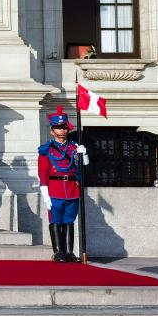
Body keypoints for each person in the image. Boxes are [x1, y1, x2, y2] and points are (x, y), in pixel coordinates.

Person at [38, 106, 87, 262]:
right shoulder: (47, 149)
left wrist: (84, 155)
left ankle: (69, 252)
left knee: (69, 221)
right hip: (55, 189)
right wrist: (45, 194)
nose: (62, 131)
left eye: (64, 127)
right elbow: (43, 172)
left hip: (72, 189)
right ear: (53, 131)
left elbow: (83, 167)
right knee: (56, 220)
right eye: (58, 128)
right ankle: (58, 252)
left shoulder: (74, 147)